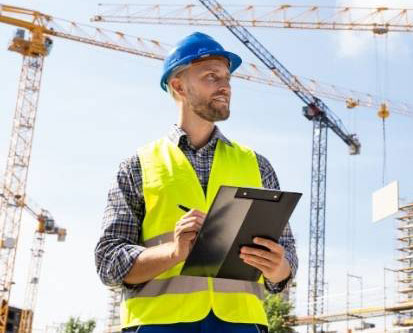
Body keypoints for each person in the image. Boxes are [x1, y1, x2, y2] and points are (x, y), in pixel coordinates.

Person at [95, 32, 298, 333]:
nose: (225, 86)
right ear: (178, 86)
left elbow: (287, 258)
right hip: (158, 326)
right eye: (211, 76)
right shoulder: (137, 166)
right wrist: (174, 253)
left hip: (241, 325)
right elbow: (109, 263)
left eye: (227, 78)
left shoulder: (257, 165)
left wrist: (278, 267)